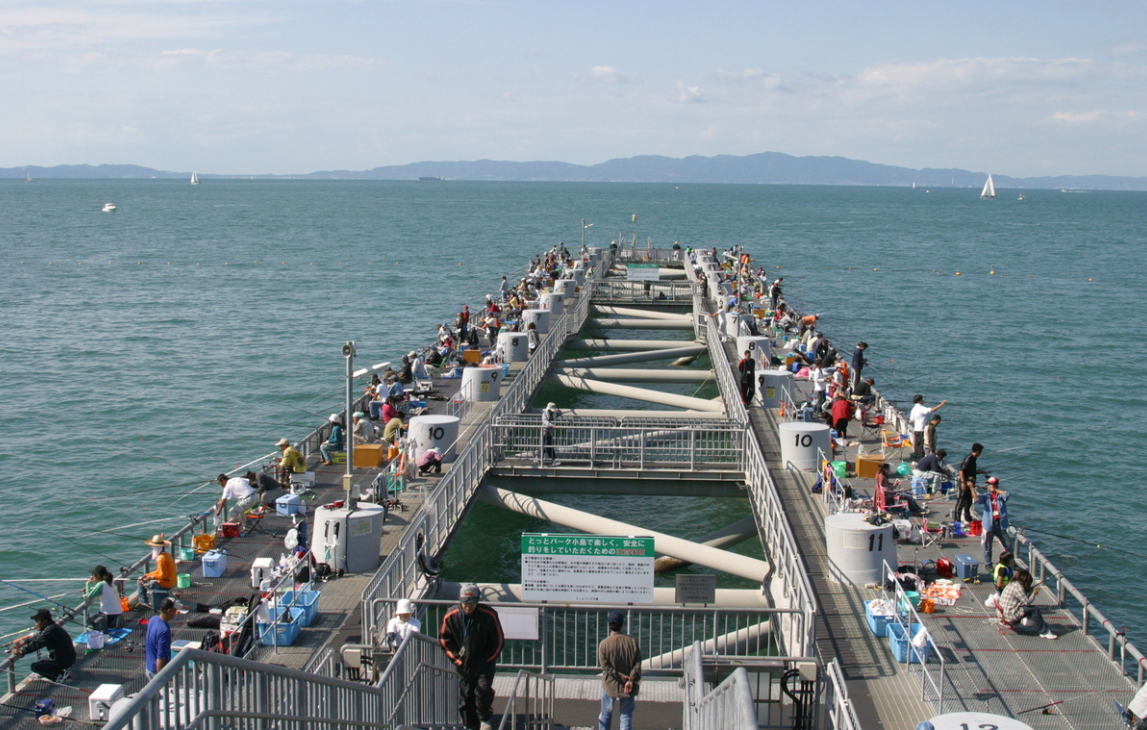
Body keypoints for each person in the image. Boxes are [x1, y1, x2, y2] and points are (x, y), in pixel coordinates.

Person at [439, 583, 505, 730]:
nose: (468, 607)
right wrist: (457, 659)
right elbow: (444, 640)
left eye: (472, 604)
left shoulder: (489, 615)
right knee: (466, 696)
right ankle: (469, 725)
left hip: (484, 663)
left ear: (478, 601)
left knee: (482, 691)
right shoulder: (451, 615)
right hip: (463, 664)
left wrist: (487, 659)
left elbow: (498, 640)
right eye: (465, 604)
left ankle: (485, 719)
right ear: (459, 601)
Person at [598, 610, 642, 730]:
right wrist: (630, 679)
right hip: (629, 685)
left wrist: (620, 677)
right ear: (622, 625)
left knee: (606, 713)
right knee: (626, 715)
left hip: (610, 684)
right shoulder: (632, 642)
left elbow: (606, 667)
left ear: (609, 625)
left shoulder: (604, 644)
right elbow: (637, 663)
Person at [9, 609, 76, 681]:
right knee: (43, 662)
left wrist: (22, 651)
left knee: (35, 666)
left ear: (44, 622)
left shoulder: (50, 631)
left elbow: (37, 643)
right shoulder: (51, 627)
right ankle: (62, 670)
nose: (35, 624)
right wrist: (21, 643)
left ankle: (59, 676)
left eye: (37, 622)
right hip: (68, 658)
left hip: (65, 661)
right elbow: (37, 637)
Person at [998, 569, 1056, 639]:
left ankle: (1040, 626)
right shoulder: (1018, 587)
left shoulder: (1012, 583)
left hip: (1002, 614)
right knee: (1034, 609)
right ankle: (1044, 631)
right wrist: (1034, 594)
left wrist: (1028, 591)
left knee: (1030, 610)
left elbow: (1020, 599)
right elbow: (1027, 602)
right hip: (1009, 615)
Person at [976, 477, 1010, 568]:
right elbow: (977, 499)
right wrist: (971, 488)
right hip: (989, 525)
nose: (989, 486)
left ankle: (1010, 562)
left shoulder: (1000, 496)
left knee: (1008, 545)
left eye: (991, 484)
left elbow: (1007, 495)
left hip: (1000, 524)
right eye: (989, 485)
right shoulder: (986, 496)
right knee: (988, 547)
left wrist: (996, 490)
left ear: (996, 485)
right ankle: (988, 564)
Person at [138, 534, 176, 607]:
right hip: (171, 581)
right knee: (144, 579)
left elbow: (162, 575)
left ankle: (143, 603)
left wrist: (150, 578)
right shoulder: (167, 555)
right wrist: (147, 575)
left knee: (140, 583)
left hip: (165, 584)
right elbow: (159, 571)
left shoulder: (161, 559)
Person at [145, 598, 179, 679]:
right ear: (169, 611)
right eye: (175, 609)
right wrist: (160, 679)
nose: (176, 612)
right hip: (156, 672)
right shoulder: (164, 630)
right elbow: (160, 656)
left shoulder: (153, 619)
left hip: (148, 667)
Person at [954, 443, 988, 522]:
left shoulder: (973, 459)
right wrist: (963, 482)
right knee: (961, 502)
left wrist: (980, 471)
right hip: (965, 484)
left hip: (971, 484)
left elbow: (970, 472)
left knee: (968, 502)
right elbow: (962, 470)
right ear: (977, 451)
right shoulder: (969, 458)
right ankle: (957, 520)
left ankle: (967, 517)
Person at [84, 565, 123, 631]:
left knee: (89, 622)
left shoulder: (101, 584)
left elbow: (90, 596)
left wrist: (88, 584)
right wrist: (91, 589)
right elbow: (104, 590)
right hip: (118, 612)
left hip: (109, 614)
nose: (92, 576)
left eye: (93, 575)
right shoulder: (109, 581)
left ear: (98, 575)